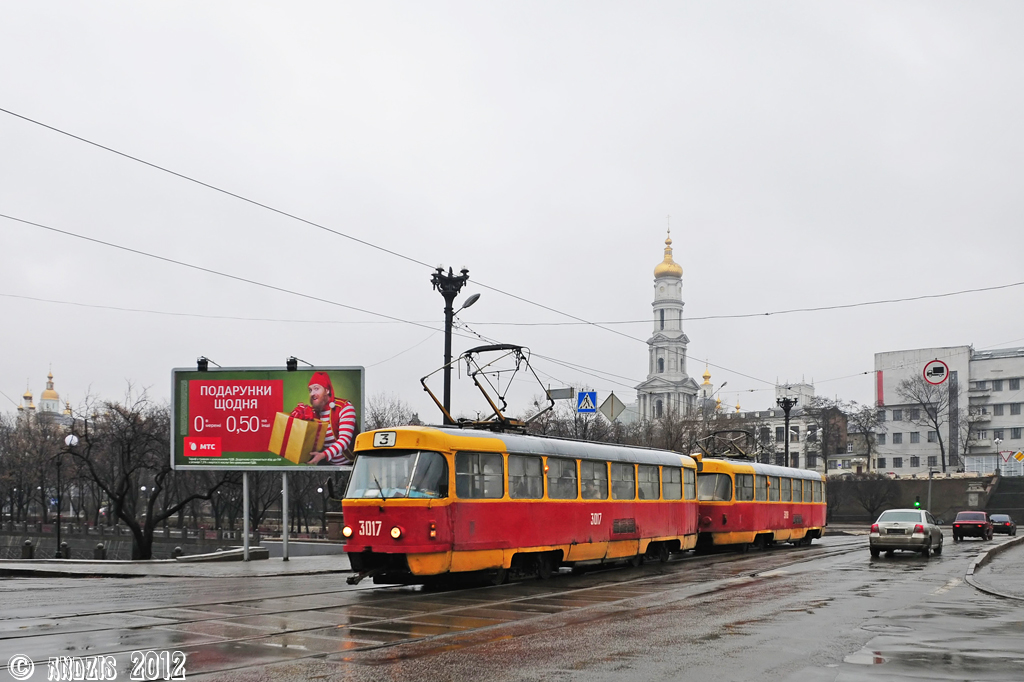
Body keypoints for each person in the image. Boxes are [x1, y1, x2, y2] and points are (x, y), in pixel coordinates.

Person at [290, 371, 357, 465]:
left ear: (327, 390)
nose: (312, 393)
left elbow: (345, 440)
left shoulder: (344, 407)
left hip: (351, 464)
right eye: (310, 390)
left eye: (316, 389)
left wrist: (323, 455)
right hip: (327, 466)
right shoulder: (312, 412)